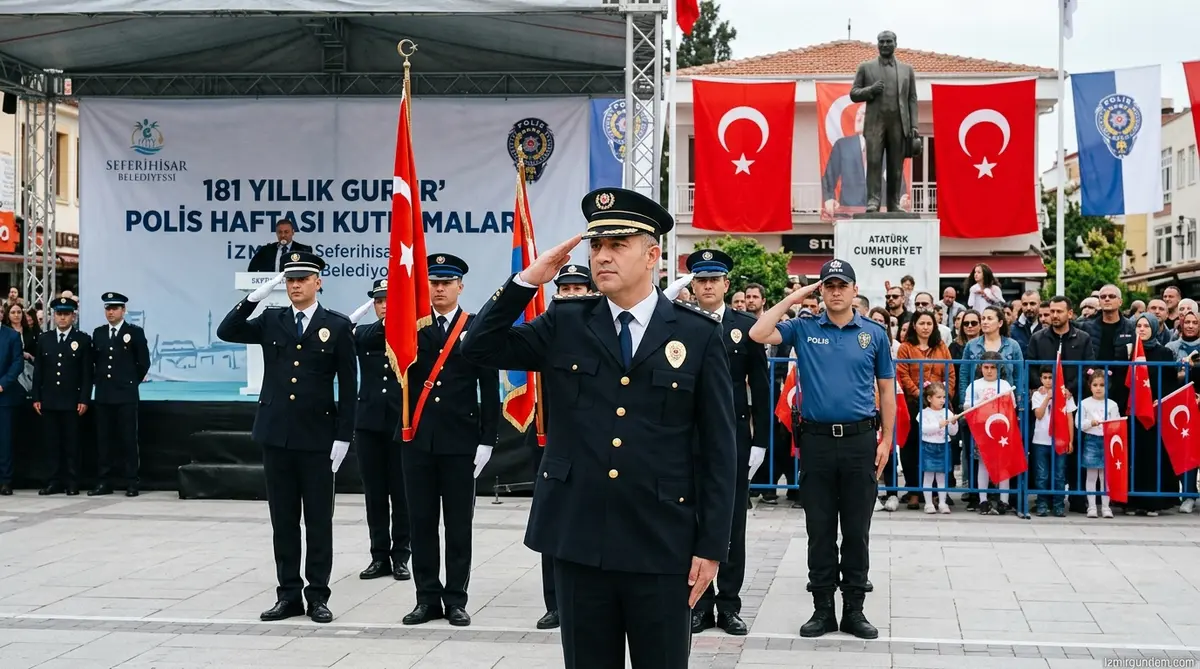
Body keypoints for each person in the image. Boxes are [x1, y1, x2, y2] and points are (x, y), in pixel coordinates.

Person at [461, 187, 736, 669]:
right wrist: (528, 280)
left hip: (662, 541)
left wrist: (711, 547)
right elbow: (478, 349)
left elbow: (719, 450)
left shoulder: (697, 334)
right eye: (596, 246)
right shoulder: (565, 321)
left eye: (617, 246)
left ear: (652, 254)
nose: (602, 257)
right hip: (579, 537)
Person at [748, 258, 895, 640]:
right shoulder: (804, 327)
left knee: (857, 531)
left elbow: (886, 391)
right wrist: (798, 295)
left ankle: (855, 610)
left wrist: (888, 439)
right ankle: (823, 609)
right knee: (820, 530)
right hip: (815, 443)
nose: (834, 291)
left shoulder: (874, 334)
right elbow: (759, 332)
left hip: (861, 441)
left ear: (854, 289)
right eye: (827, 285)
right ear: (821, 290)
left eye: (841, 285)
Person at [216, 251, 357, 624]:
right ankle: (288, 595)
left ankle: (318, 596)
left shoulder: (337, 325)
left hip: (318, 439)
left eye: (302, 279)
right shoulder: (271, 319)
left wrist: (344, 437)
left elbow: (350, 386)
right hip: (276, 435)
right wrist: (256, 296)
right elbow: (227, 330)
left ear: (318, 282)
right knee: (284, 521)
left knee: (318, 521)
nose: (295, 285)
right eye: (290, 280)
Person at [398, 253, 500, 628]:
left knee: (458, 525)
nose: (439, 289)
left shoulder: (474, 328)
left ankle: (456, 598)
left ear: (460, 286)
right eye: (433, 282)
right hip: (418, 439)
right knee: (421, 522)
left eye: (446, 282)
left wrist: (488, 439)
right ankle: (426, 598)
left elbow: (489, 387)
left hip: (461, 443)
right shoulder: (408, 327)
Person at [684, 249, 770, 637]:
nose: (706, 285)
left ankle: (729, 604)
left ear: (725, 284)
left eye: (713, 279)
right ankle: (698, 604)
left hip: (734, 437)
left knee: (733, 523)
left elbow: (762, 388)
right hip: (689, 437)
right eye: (700, 279)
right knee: (693, 520)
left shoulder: (745, 327)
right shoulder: (679, 323)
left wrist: (760, 443)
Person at [529, 263, 594, 631]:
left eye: (577, 289)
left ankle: (584, 596)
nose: (570, 295)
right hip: (548, 437)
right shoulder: (549, 328)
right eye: (564, 289)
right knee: (553, 520)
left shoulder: (600, 330)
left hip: (590, 444)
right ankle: (554, 602)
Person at [347, 279, 410, 582]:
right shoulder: (366, 333)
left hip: (399, 422)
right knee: (374, 493)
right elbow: (348, 331)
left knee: (401, 492)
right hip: (369, 422)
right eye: (379, 301)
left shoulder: (410, 333)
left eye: (390, 300)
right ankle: (378, 555)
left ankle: (401, 555)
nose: (384, 305)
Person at [89, 292, 152, 497]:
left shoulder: (134, 332)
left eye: (115, 308)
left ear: (123, 310)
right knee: (103, 440)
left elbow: (143, 362)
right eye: (108, 308)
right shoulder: (98, 333)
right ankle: (104, 481)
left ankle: (132, 481)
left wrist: (131, 381)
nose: (111, 312)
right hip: (104, 394)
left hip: (125, 394)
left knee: (128, 440)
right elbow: (95, 362)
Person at [848, 31, 918, 213]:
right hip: (874, 124)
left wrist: (914, 125)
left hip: (899, 123)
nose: (885, 45)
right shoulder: (866, 67)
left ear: (896, 43)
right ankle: (873, 201)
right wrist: (870, 90)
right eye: (881, 42)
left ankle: (894, 203)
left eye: (888, 41)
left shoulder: (906, 70)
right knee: (873, 163)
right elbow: (854, 93)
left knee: (896, 166)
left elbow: (912, 99)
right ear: (877, 44)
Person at [33, 298, 92, 496]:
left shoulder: (82, 339)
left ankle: (72, 481)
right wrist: (36, 397)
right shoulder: (45, 339)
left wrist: (84, 398)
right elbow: (38, 371)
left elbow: (86, 374)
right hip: (49, 400)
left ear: (73, 316)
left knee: (72, 444)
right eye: (59, 314)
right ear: (53, 316)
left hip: (71, 401)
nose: (62, 317)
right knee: (51, 443)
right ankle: (53, 481)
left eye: (66, 314)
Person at [0, 319, 23, 496]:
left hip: (4, 396)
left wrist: (3, 384)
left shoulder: (12, 335)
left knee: (4, 441)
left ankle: (5, 480)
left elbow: (17, 363)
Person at [246, 218, 313, 272]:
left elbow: (310, 273)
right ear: (276, 233)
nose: (283, 235)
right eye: (280, 232)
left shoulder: (304, 250)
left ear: (293, 232)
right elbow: (251, 270)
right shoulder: (265, 250)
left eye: (286, 232)